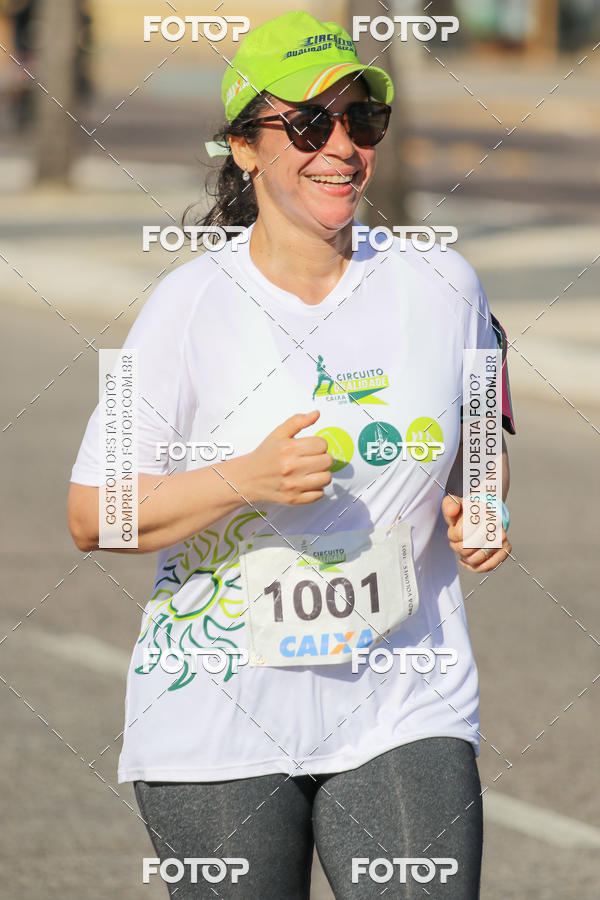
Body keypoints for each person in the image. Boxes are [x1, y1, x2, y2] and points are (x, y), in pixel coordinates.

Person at [67, 11, 515, 898]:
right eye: (309, 124)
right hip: (217, 714)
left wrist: (484, 507)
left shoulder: (445, 286)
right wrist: (246, 480)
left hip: (401, 702)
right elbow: (92, 514)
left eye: (362, 121)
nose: (341, 146)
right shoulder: (185, 307)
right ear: (245, 147)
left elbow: (480, 453)